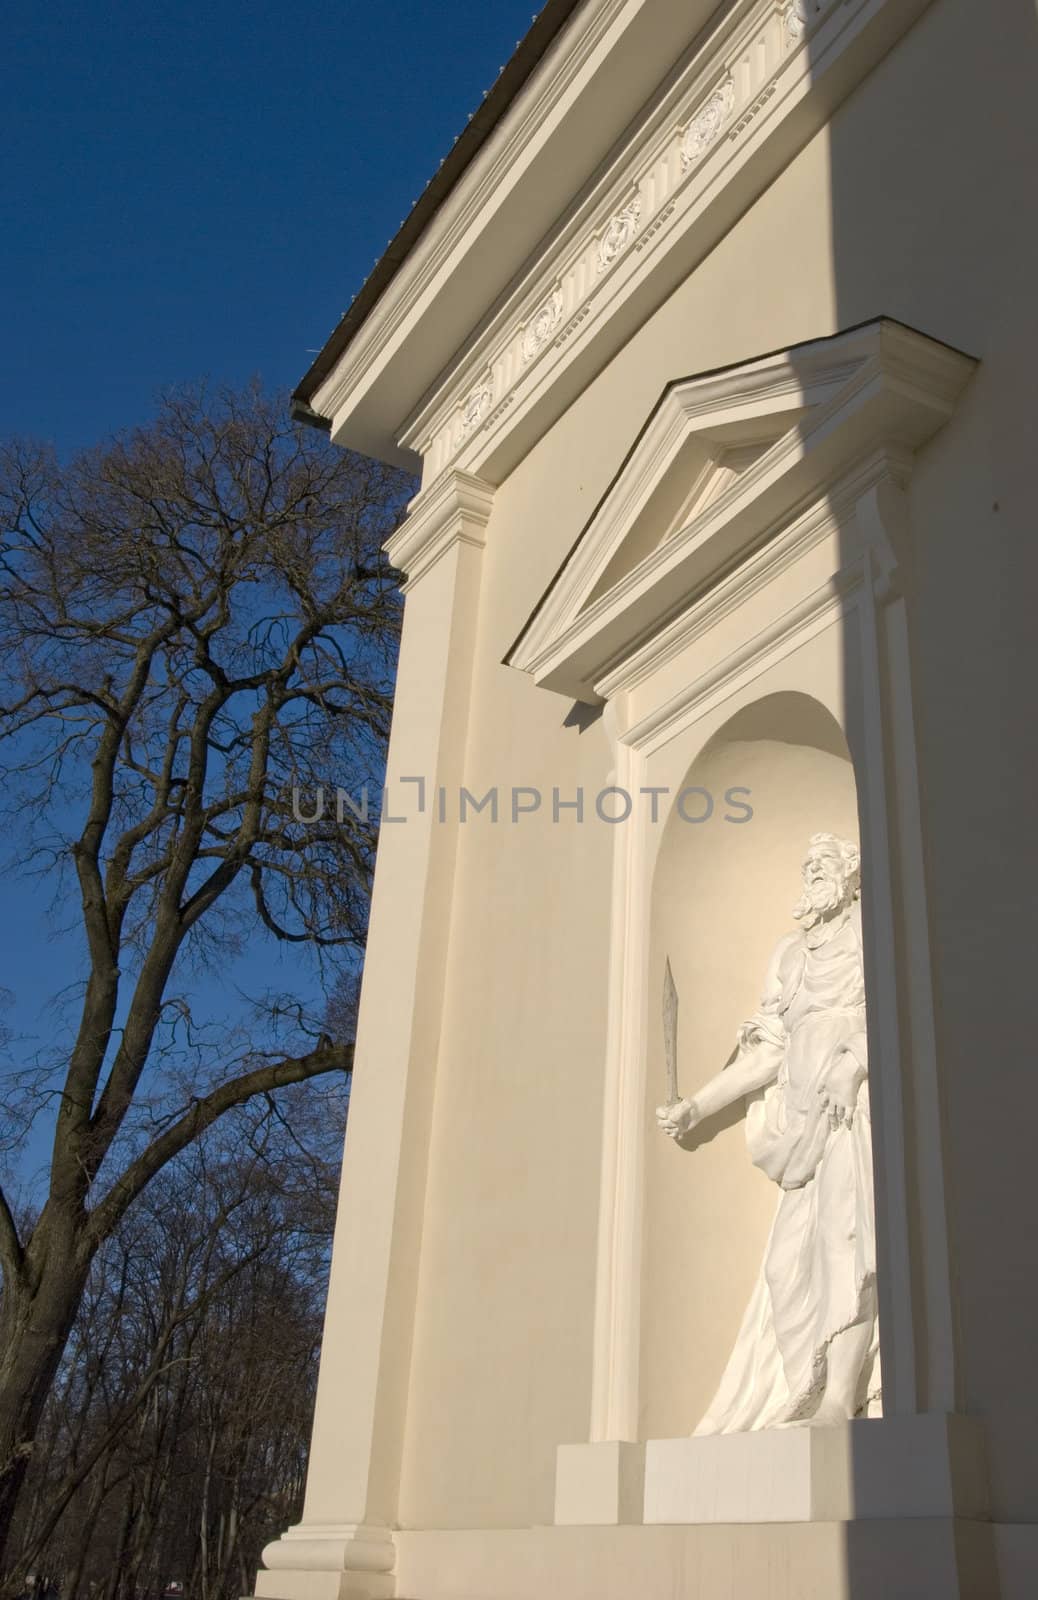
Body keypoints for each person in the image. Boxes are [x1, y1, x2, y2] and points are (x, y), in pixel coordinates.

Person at [657, 834, 881, 1432]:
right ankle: (805, 1391)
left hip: (852, 1111)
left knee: (846, 1238)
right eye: (806, 867)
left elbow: (896, 1003)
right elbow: (766, 1055)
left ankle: (840, 1400)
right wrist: (697, 1107)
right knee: (787, 1266)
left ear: (848, 878)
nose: (811, 876)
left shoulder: (870, 932)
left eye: (822, 867)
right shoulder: (789, 954)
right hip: (801, 1124)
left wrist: (854, 1060)